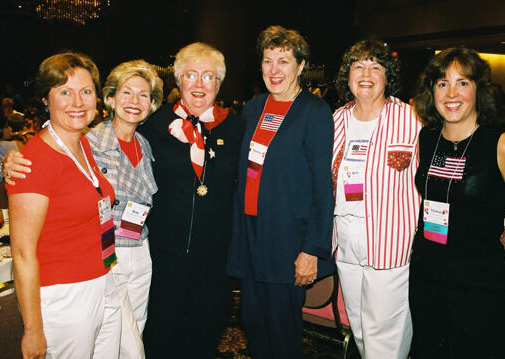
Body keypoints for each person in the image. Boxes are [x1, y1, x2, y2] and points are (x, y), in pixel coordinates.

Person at [3, 59, 163, 358]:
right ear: (45, 99)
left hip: (103, 273)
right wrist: (33, 329)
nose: (77, 102)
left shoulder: (83, 145)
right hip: (66, 292)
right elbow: (22, 253)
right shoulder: (36, 159)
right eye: (65, 92)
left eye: (85, 91)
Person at [410, 47, 505, 358]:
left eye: (463, 82)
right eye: (442, 83)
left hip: (478, 281)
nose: (452, 93)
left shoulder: (502, 143)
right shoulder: (428, 138)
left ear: (479, 89)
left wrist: (499, 239)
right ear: (432, 91)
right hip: (427, 273)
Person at [226, 25, 335, 359]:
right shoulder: (254, 108)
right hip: (252, 235)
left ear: (301, 66)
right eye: (268, 60)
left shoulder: (314, 112)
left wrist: (312, 249)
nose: (274, 70)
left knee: (282, 330)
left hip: (288, 241)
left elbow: (322, 185)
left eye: (284, 61)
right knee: (253, 322)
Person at [139, 42, 245, 359]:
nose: (199, 85)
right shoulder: (153, 125)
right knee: (161, 332)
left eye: (209, 76)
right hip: (164, 253)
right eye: (191, 75)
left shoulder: (238, 128)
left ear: (219, 83)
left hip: (215, 256)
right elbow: (107, 146)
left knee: (205, 331)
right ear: (178, 80)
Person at [331, 40, 421, 358]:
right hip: (346, 241)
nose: (366, 74)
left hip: (392, 245)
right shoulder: (336, 120)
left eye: (375, 67)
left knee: (386, 337)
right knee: (360, 329)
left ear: (388, 75)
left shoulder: (412, 119)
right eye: (358, 66)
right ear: (348, 75)